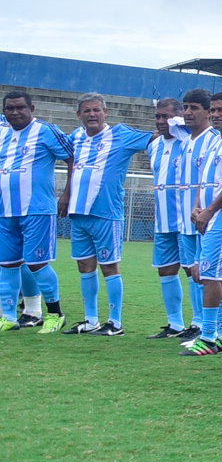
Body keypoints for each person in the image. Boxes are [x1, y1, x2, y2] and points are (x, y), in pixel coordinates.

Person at [60, 93, 153, 335]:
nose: (92, 114)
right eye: (87, 111)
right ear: (78, 115)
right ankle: (90, 320)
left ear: (105, 112)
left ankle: (115, 322)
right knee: (84, 266)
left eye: (96, 110)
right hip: (79, 213)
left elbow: (155, 138)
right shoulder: (75, 137)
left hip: (106, 213)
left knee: (109, 266)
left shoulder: (121, 135)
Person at [0, 90, 72, 332]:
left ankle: (55, 314)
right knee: (7, 265)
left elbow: (72, 158)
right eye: (9, 108)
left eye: (20, 107)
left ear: (32, 108)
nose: (14, 112)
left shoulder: (45, 131)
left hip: (37, 209)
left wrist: (66, 193)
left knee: (36, 263)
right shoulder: (2, 133)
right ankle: (8, 317)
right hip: (5, 210)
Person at [182, 92, 222, 356]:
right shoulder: (215, 141)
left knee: (209, 275)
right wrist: (197, 205)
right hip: (209, 215)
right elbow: (204, 178)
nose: (216, 114)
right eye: (213, 111)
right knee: (214, 275)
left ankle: (208, 337)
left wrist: (210, 211)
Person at [144, 97, 191, 339]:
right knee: (166, 270)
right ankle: (175, 324)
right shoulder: (154, 145)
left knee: (193, 271)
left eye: (167, 116)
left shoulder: (188, 141)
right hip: (163, 221)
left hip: (186, 220)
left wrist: (179, 126)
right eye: (158, 116)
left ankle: (200, 324)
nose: (161, 121)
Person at [176, 88, 216, 340]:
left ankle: (211, 327)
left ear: (208, 112)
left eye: (194, 108)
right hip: (184, 217)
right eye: (185, 107)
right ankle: (196, 321)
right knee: (190, 270)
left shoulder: (213, 138)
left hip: (204, 216)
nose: (188, 113)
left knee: (206, 273)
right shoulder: (185, 141)